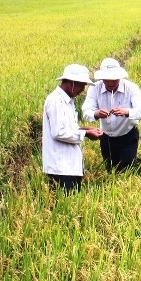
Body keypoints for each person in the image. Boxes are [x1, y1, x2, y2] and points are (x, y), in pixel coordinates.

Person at [42, 64, 103, 193]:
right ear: (72, 83)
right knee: (64, 208)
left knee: (73, 205)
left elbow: (68, 128)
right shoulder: (56, 101)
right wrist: (86, 133)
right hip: (60, 168)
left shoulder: (68, 101)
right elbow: (59, 132)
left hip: (70, 166)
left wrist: (85, 129)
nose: (83, 89)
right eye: (82, 85)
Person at [82, 58, 141, 172]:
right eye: (107, 80)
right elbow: (86, 112)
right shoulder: (94, 88)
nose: (110, 83)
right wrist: (96, 114)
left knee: (126, 170)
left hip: (128, 135)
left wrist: (127, 112)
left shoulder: (131, 88)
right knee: (110, 169)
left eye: (114, 79)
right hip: (106, 137)